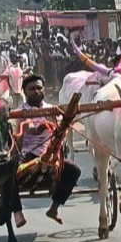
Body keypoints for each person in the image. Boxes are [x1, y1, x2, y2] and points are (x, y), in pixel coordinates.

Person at [14, 74, 82, 225]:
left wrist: (61, 126)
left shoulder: (52, 109)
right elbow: (29, 129)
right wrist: (40, 127)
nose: (36, 91)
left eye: (39, 88)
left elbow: (60, 130)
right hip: (28, 155)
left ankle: (54, 208)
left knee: (75, 171)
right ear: (24, 91)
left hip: (51, 155)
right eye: (32, 89)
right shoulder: (20, 111)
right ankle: (17, 212)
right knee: (9, 174)